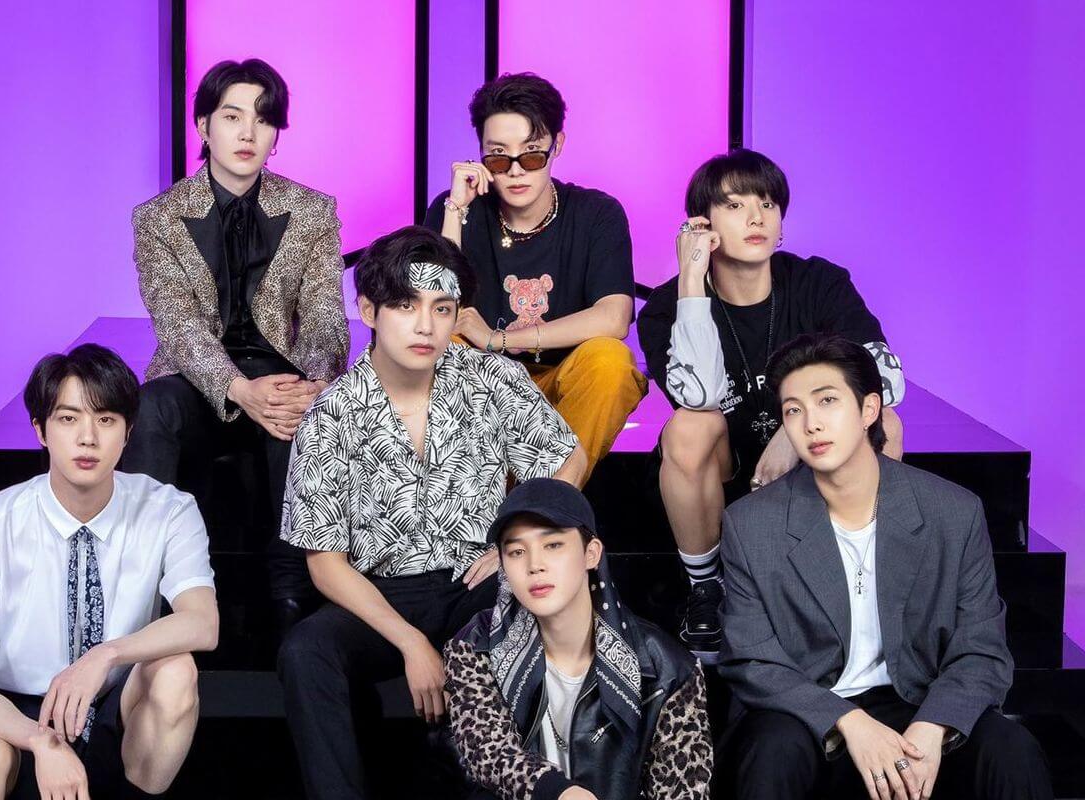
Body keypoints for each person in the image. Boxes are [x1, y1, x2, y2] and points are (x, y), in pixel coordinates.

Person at [276, 226, 586, 800]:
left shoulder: (491, 379)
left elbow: (569, 457)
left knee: (525, 605)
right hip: (383, 593)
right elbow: (325, 563)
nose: (425, 326)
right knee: (305, 651)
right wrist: (411, 643)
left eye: (442, 309)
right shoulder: (331, 414)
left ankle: (514, 783)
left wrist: (515, 542)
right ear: (368, 310)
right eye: (405, 305)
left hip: (476, 581)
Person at [715, 333, 1052, 800]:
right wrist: (848, 721)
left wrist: (934, 726)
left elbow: (982, 647)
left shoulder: (952, 512)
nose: (811, 424)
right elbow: (751, 658)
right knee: (770, 750)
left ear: (869, 409)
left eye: (827, 401)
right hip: (809, 714)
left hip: (918, 700)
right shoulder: (752, 524)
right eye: (793, 410)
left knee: (1011, 750)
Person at [636, 149, 905, 660]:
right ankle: (707, 589)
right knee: (689, 426)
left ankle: (864, 578)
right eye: (735, 205)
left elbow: (885, 378)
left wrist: (794, 428)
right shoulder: (667, 306)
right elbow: (699, 395)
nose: (756, 218)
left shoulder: (818, 283)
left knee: (884, 421)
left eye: (767, 204)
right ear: (702, 224)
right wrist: (692, 283)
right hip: (718, 477)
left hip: (809, 465)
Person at [123, 58, 348, 624]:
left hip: (281, 372)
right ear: (203, 126)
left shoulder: (313, 210)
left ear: (275, 135)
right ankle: (146, 590)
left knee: (302, 415)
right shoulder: (158, 218)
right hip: (200, 379)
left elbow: (324, 315)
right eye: (231, 116)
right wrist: (239, 389)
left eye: (263, 119)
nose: (248, 132)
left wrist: (310, 385)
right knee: (150, 410)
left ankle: (293, 590)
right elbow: (178, 325)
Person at [0, 344, 218, 800]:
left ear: (128, 433)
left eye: (106, 420)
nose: (88, 438)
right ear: (41, 430)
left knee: (176, 671)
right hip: (15, 715)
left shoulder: (169, 510)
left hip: (113, 703)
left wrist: (104, 656)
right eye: (68, 419)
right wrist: (41, 741)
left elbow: (203, 623)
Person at [424, 72, 646, 484]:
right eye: (497, 157)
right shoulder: (455, 209)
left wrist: (499, 339)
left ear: (556, 145)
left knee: (611, 361)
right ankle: (476, 500)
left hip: (565, 382)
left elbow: (614, 317)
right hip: (484, 387)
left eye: (531, 155)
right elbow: (433, 310)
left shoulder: (596, 213)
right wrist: (455, 210)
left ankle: (548, 502)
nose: (515, 171)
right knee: (443, 347)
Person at [445, 478, 713, 800]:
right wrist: (558, 792)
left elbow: (682, 790)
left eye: (553, 545)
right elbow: (487, 752)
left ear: (591, 554)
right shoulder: (475, 646)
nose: (534, 565)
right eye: (516, 552)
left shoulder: (669, 669)